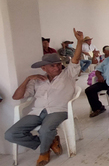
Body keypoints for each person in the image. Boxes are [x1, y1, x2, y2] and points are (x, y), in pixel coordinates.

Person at [5, 28, 83, 166]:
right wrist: (27, 79)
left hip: (58, 110)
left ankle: (43, 152)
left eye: (59, 64)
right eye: (52, 66)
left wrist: (79, 41)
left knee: (45, 130)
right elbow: (16, 97)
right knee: (10, 134)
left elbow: (76, 59)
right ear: (44, 68)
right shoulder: (36, 80)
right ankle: (50, 141)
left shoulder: (68, 74)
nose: (57, 68)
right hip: (37, 111)